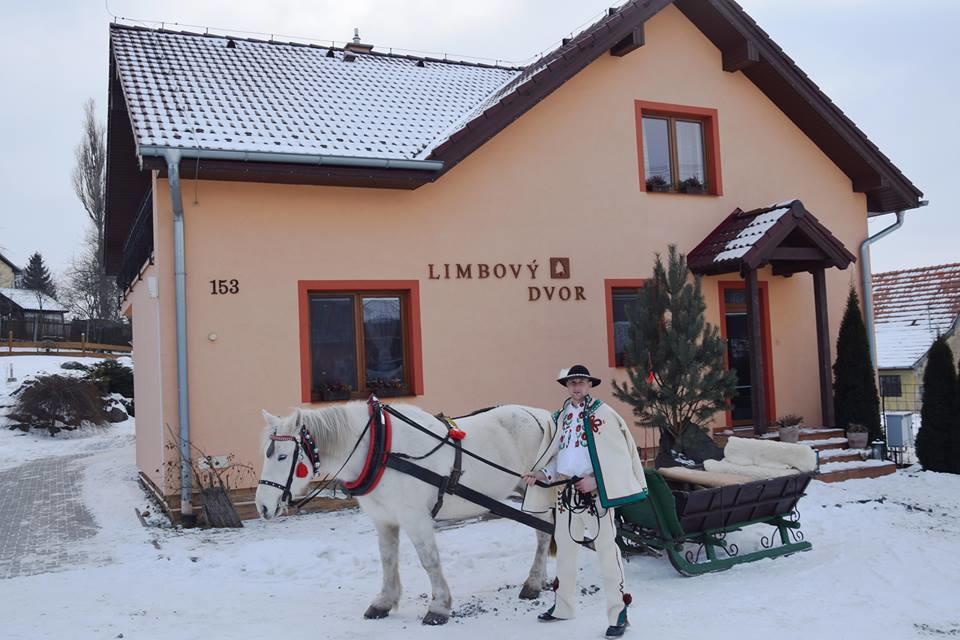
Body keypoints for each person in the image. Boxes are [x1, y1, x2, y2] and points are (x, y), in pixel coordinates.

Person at [522, 364, 648, 638]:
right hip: (566, 496)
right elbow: (556, 457)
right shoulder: (559, 418)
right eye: (572, 383)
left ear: (590, 385)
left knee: (606, 554)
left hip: (594, 497)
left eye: (581, 382)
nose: (577, 387)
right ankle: (564, 607)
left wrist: (597, 482)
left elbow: (618, 456)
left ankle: (618, 614)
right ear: (567, 387)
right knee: (565, 553)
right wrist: (542, 473)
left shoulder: (605, 415)